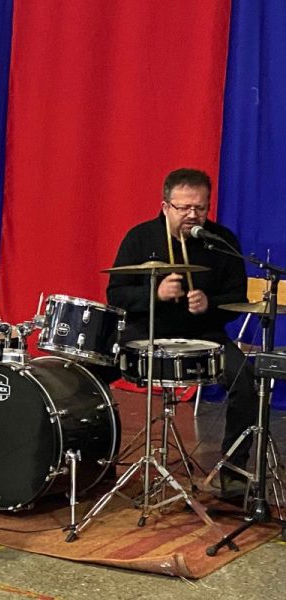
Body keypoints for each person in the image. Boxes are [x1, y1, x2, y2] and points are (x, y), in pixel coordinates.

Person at [107, 168, 255, 500]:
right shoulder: (140, 237)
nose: (192, 215)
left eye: (199, 208)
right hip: (145, 330)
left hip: (204, 333)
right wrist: (154, 294)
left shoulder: (222, 241)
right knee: (91, 369)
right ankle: (96, 460)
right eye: (184, 208)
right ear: (165, 206)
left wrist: (210, 304)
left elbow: (238, 299)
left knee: (245, 379)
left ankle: (234, 472)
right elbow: (115, 294)